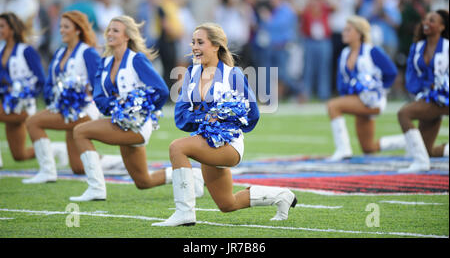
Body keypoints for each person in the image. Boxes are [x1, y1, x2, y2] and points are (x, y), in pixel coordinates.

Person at [153, 23, 297, 227]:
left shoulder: (233, 75)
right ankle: (281, 196)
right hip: (205, 141)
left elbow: (252, 113)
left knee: (177, 147)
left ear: (215, 46)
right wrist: (207, 119)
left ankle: (184, 212)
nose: (194, 46)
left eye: (200, 42)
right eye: (193, 42)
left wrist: (226, 125)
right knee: (227, 203)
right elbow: (181, 116)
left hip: (228, 145)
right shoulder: (190, 75)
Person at [70, 15, 204, 202]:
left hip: (136, 126)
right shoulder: (105, 62)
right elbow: (99, 95)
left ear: (127, 36)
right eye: (108, 30)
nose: (109, 33)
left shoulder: (137, 60)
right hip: (119, 121)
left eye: (115, 30)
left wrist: (142, 111)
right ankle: (193, 176)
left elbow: (161, 90)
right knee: (143, 181)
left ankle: (96, 188)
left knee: (80, 132)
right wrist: (117, 108)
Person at [22, 10, 101, 184]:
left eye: (66, 27)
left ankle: (47, 171)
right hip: (64, 110)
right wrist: (52, 98)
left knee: (33, 121)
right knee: (79, 167)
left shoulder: (88, 52)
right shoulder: (59, 53)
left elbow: (98, 83)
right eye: (60, 27)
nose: (62, 30)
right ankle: (122, 164)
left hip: (82, 111)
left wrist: (86, 99)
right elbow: (51, 81)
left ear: (78, 30)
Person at [327, 15, 405, 161]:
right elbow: (341, 80)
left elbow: (391, 72)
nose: (344, 32)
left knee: (333, 106)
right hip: (357, 100)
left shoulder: (372, 51)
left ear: (359, 33)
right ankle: (408, 141)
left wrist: (380, 89)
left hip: (372, 101)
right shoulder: (344, 53)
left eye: (348, 30)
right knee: (368, 148)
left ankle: (343, 150)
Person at [397, 10, 449, 173]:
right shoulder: (417, 47)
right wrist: (420, 91)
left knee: (404, 113)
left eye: (432, 20)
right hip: (430, 98)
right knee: (427, 150)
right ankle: (423, 158)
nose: (426, 22)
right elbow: (411, 73)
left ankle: (420, 163)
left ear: (441, 27)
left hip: (446, 97)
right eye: (425, 19)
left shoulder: (447, 47)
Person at [0, 12, 45, 166]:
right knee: (20, 155)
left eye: (2, 26)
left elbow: (41, 79)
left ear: (12, 29)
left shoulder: (26, 50)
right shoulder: (1, 52)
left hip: (24, 106)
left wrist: (25, 95)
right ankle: (55, 149)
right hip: (8, 105)